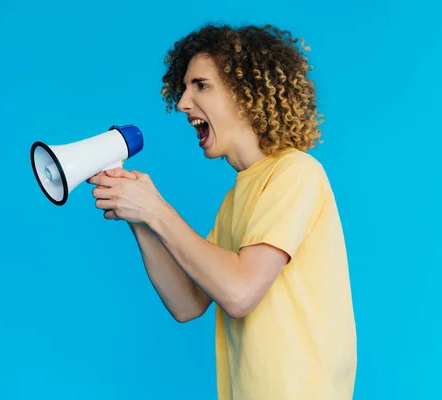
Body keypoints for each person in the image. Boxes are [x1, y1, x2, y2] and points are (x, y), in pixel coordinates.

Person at [87, 23, 356, 400]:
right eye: (183, 89)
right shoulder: (236, 198)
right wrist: (141, 218)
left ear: (246, 94)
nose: (182, 103)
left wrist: (157, 209)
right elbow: (187, 304)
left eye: (200, 85)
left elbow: (240, 292)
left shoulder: (296, 173)